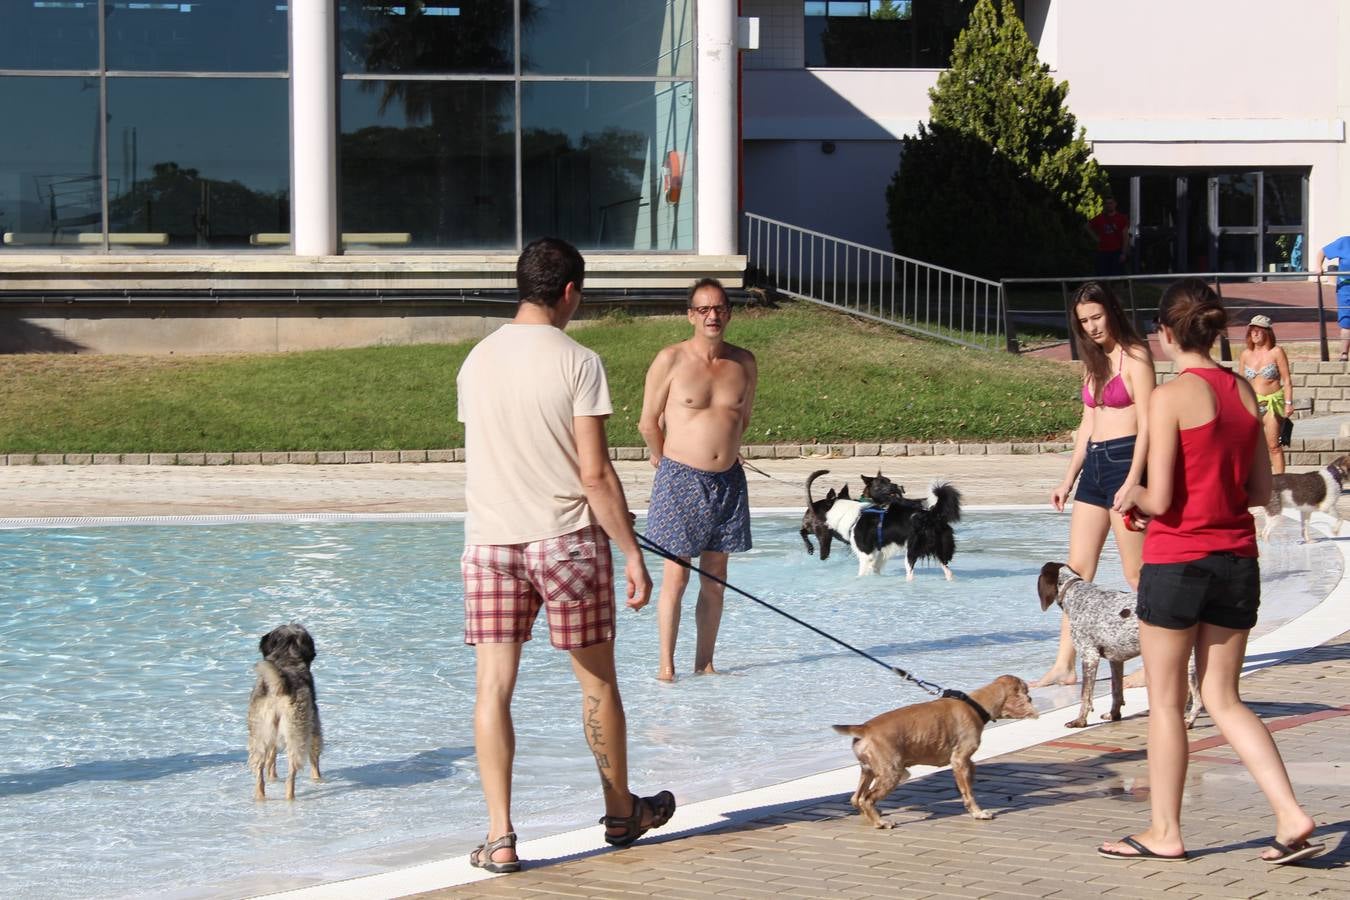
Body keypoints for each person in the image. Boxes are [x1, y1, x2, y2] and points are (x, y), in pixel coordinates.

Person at [456, 237, 675, 873]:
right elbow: (596, 475)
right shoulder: (578, 361)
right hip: (564, 540)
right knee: (596, 682)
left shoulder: (476, 360)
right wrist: (631, 551)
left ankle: (500, 838)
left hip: (490, 543)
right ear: (570, 292)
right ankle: (618, 811)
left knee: (493, 690)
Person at [1103, 278, 1323, 865]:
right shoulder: (1246, 394)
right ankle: (1289, 813)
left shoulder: (1171, 397)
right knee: (1224, 697)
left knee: (1169, 704)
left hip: (1178, 564)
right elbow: (1257, 490)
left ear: (1168, 333)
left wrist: (1130, 500)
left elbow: (1161, 496)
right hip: (1237, 563)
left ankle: (1164, 832)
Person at [638, 277, 758, 682]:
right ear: (691, 315)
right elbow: (647, 422)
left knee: (716, 579)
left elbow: (742, 418)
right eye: (704, 309)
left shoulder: (743, 363)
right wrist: (663, 458)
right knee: (678, 574)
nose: (713, 315)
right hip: (680, 479)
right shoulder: (670, 359)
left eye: (720, 308)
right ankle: (666, 667)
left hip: (728, 481)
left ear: (729, 313)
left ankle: (704, 663)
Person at [1036, 282, 1154, 687]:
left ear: (1112, 312)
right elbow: (1088, 424)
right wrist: (1068, 478)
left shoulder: (1136, 356)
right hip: (1096, 467)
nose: (1091, 327)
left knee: (1136, 573)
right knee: (1075, 572)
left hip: (1126, 460)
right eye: (1084, 321)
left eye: (1097, 317)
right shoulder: (1093, 362)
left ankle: (1157, 660)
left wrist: (1136, 480)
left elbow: (1150, 424)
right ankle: (1064, 665)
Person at [1238, 314, 1293, 474]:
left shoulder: (1276, 352)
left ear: (1267, 332)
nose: (1254, 334)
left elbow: (1287, 380)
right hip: (1252, 403)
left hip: (1271, 402)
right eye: (1252, 331)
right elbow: (1241, 382)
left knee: (1273, 445)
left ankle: (1280, 482)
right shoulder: (1245, 354)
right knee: (1252, 446)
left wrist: (1288, 403)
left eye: (1258, 330)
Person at [1311, 235, 1350, 361]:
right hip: (1346, 290)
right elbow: (1322, 252)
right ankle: (1344, 354)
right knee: (1347, 322)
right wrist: (1318, 266)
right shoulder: (1344, 242)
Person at [1087, 197, 1130, 277]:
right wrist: (1096, 238)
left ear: (1115, 204)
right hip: (1103, 251)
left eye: (1111, 203)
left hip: (1117, 251)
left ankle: (1116, 289)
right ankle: (1106, 289)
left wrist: (1123, 253)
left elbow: (1125, 236)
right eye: (1107, 203)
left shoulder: (1121, 218)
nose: (1109, 205)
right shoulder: (1100, 218)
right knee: (1103, 276)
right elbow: (1087, 226)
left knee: (1117, 276)